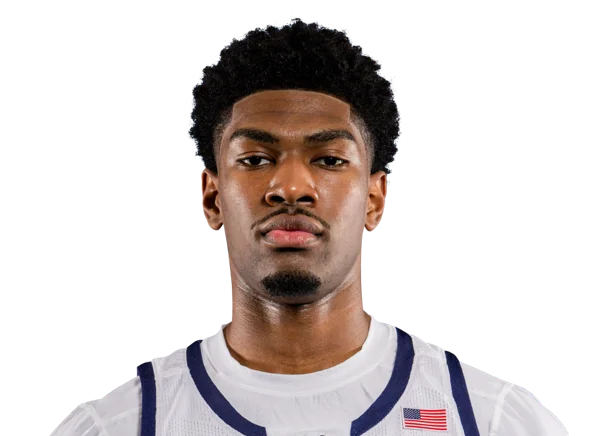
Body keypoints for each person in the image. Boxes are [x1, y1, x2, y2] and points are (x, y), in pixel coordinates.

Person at [52, 17, 568, 435]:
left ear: (374, 200)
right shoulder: (117, 425)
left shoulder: (491, 419)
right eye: (255, 159)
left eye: (329, 159)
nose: (292, 187)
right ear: (212, 198)